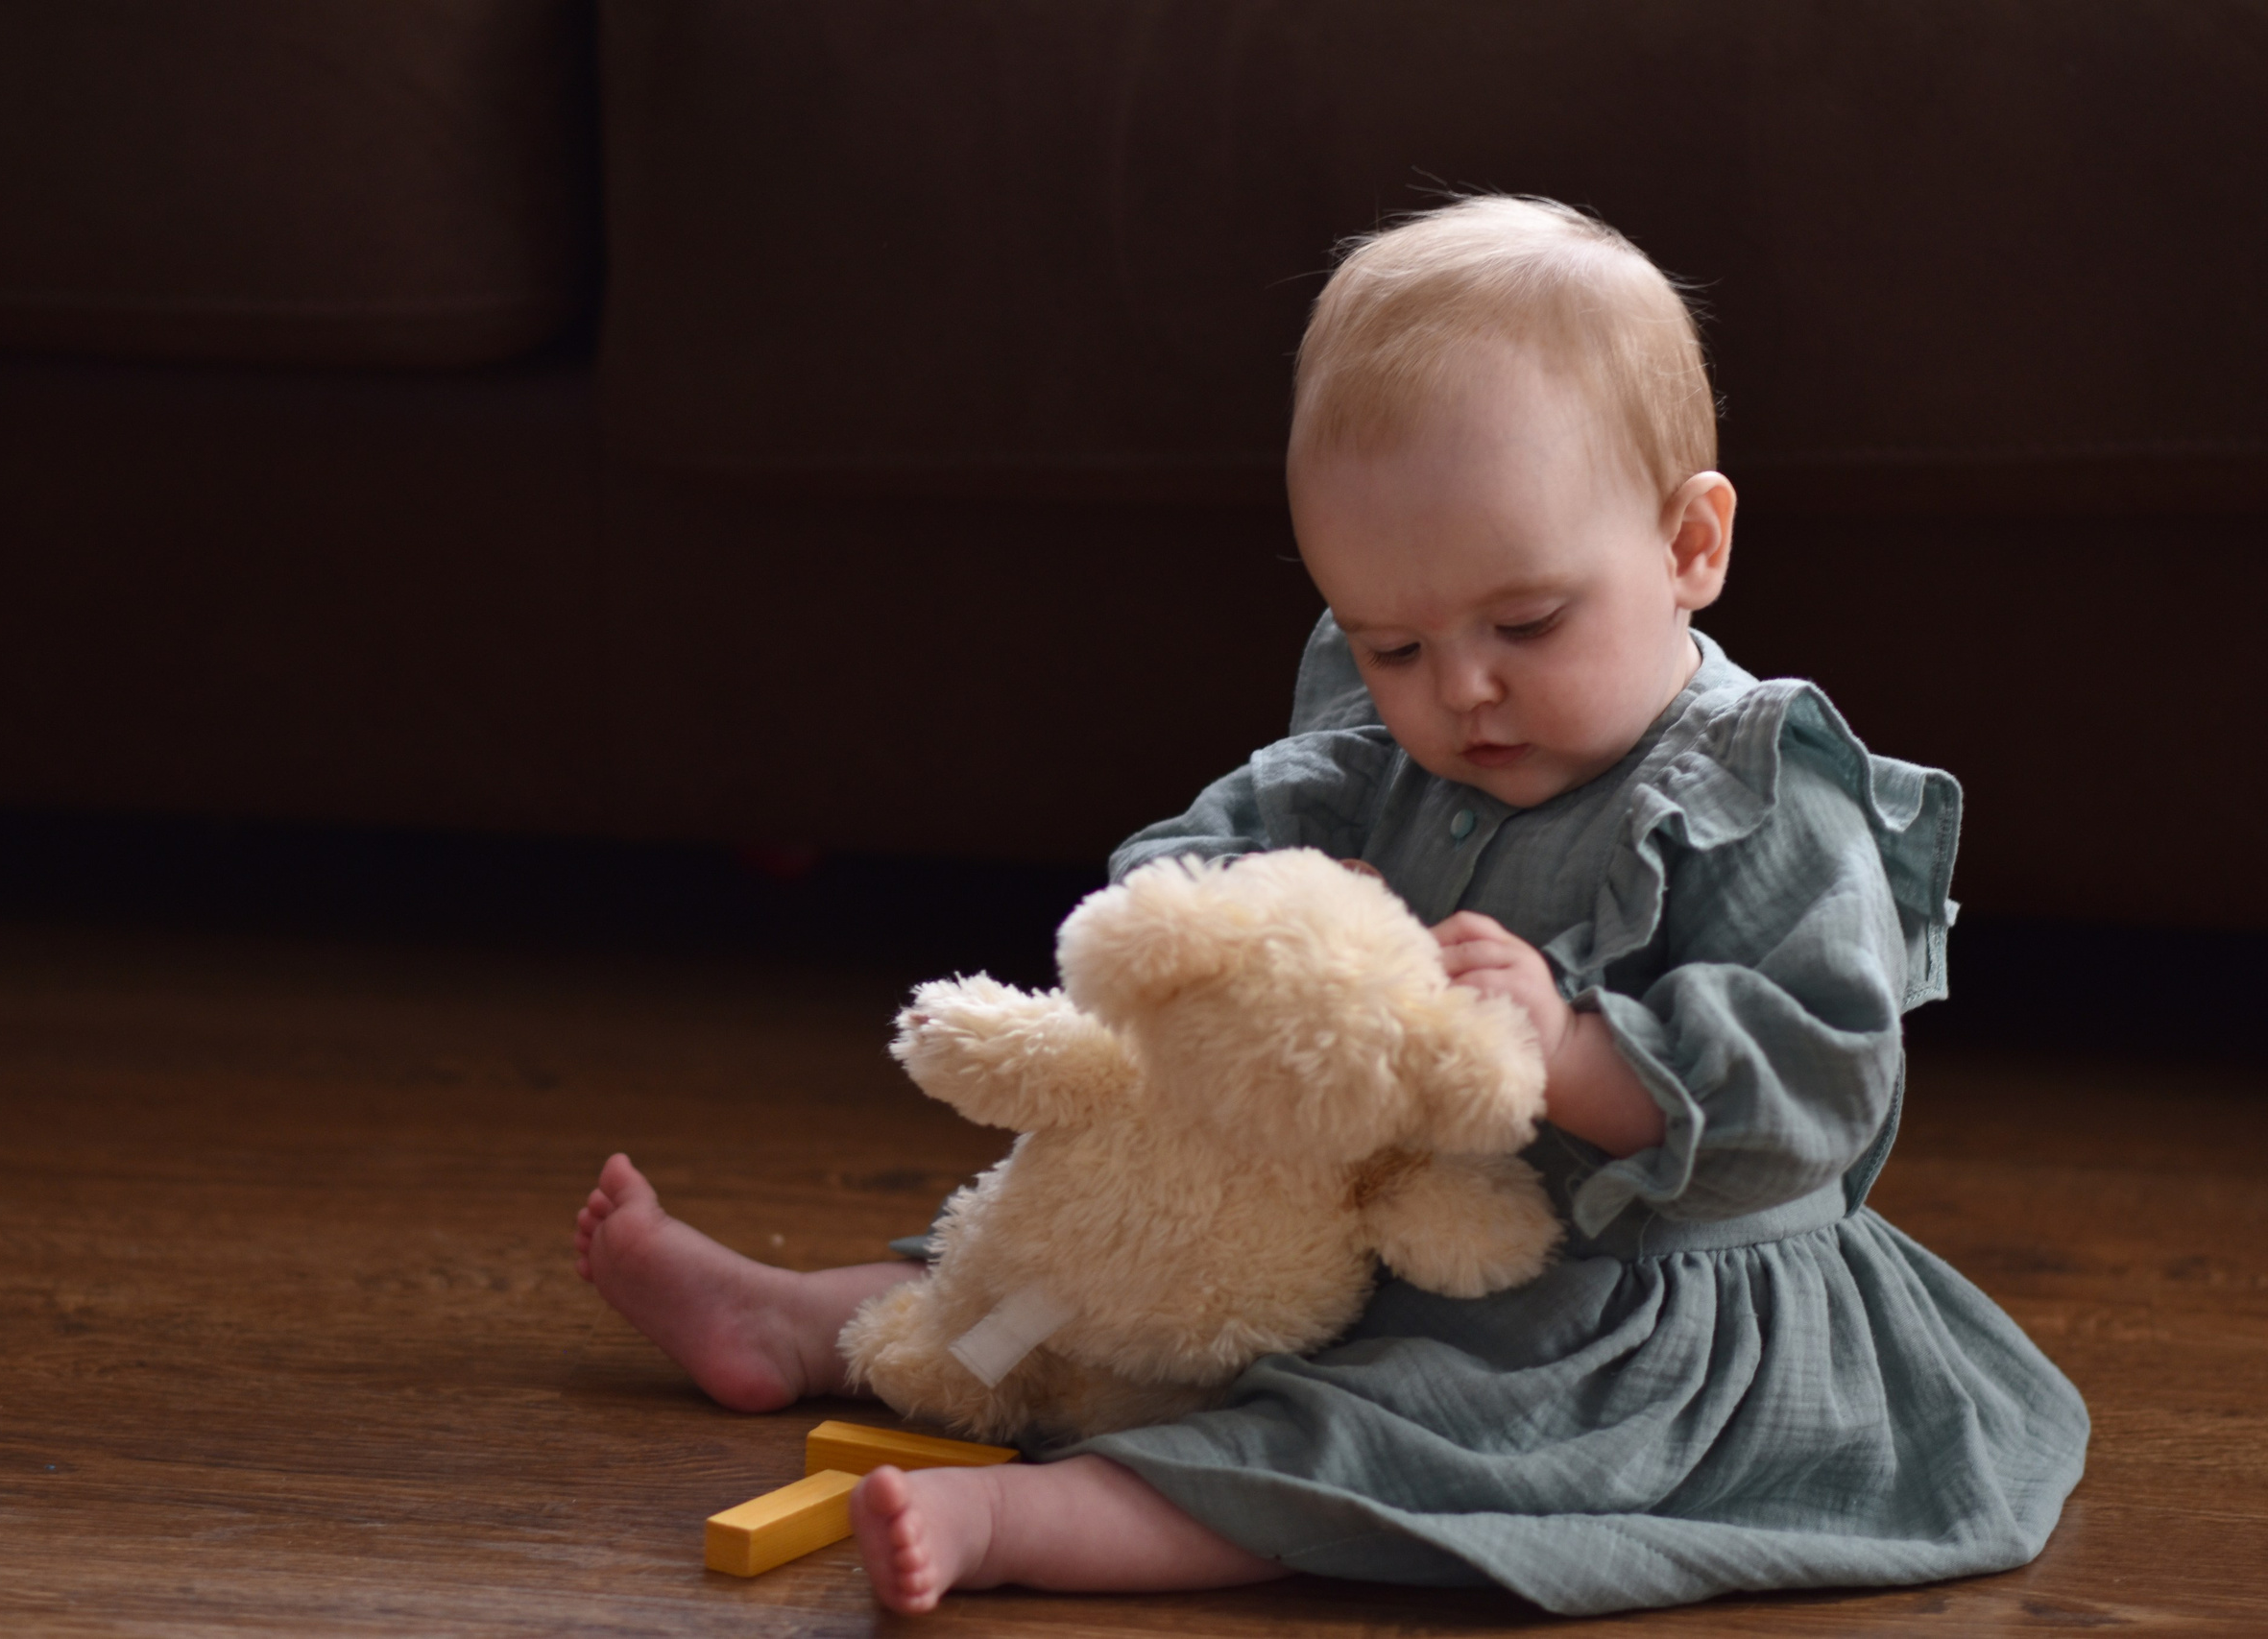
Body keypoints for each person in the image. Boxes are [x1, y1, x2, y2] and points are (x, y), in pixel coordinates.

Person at [570, 196, 2088, 1616]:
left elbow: (1823, 1075)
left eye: (1526, 623)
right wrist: (1258, 912)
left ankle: (1020, 1528)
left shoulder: (1761, 793)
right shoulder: (1391, 744)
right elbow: (1175, 863)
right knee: (1087, 1271)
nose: (1462, 690)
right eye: (1391, 645)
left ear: (1691, 545)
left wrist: (1569, 1054)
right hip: (1352, 1226)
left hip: (1626, 1309)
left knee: (1365, 1433)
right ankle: (791, 1325)